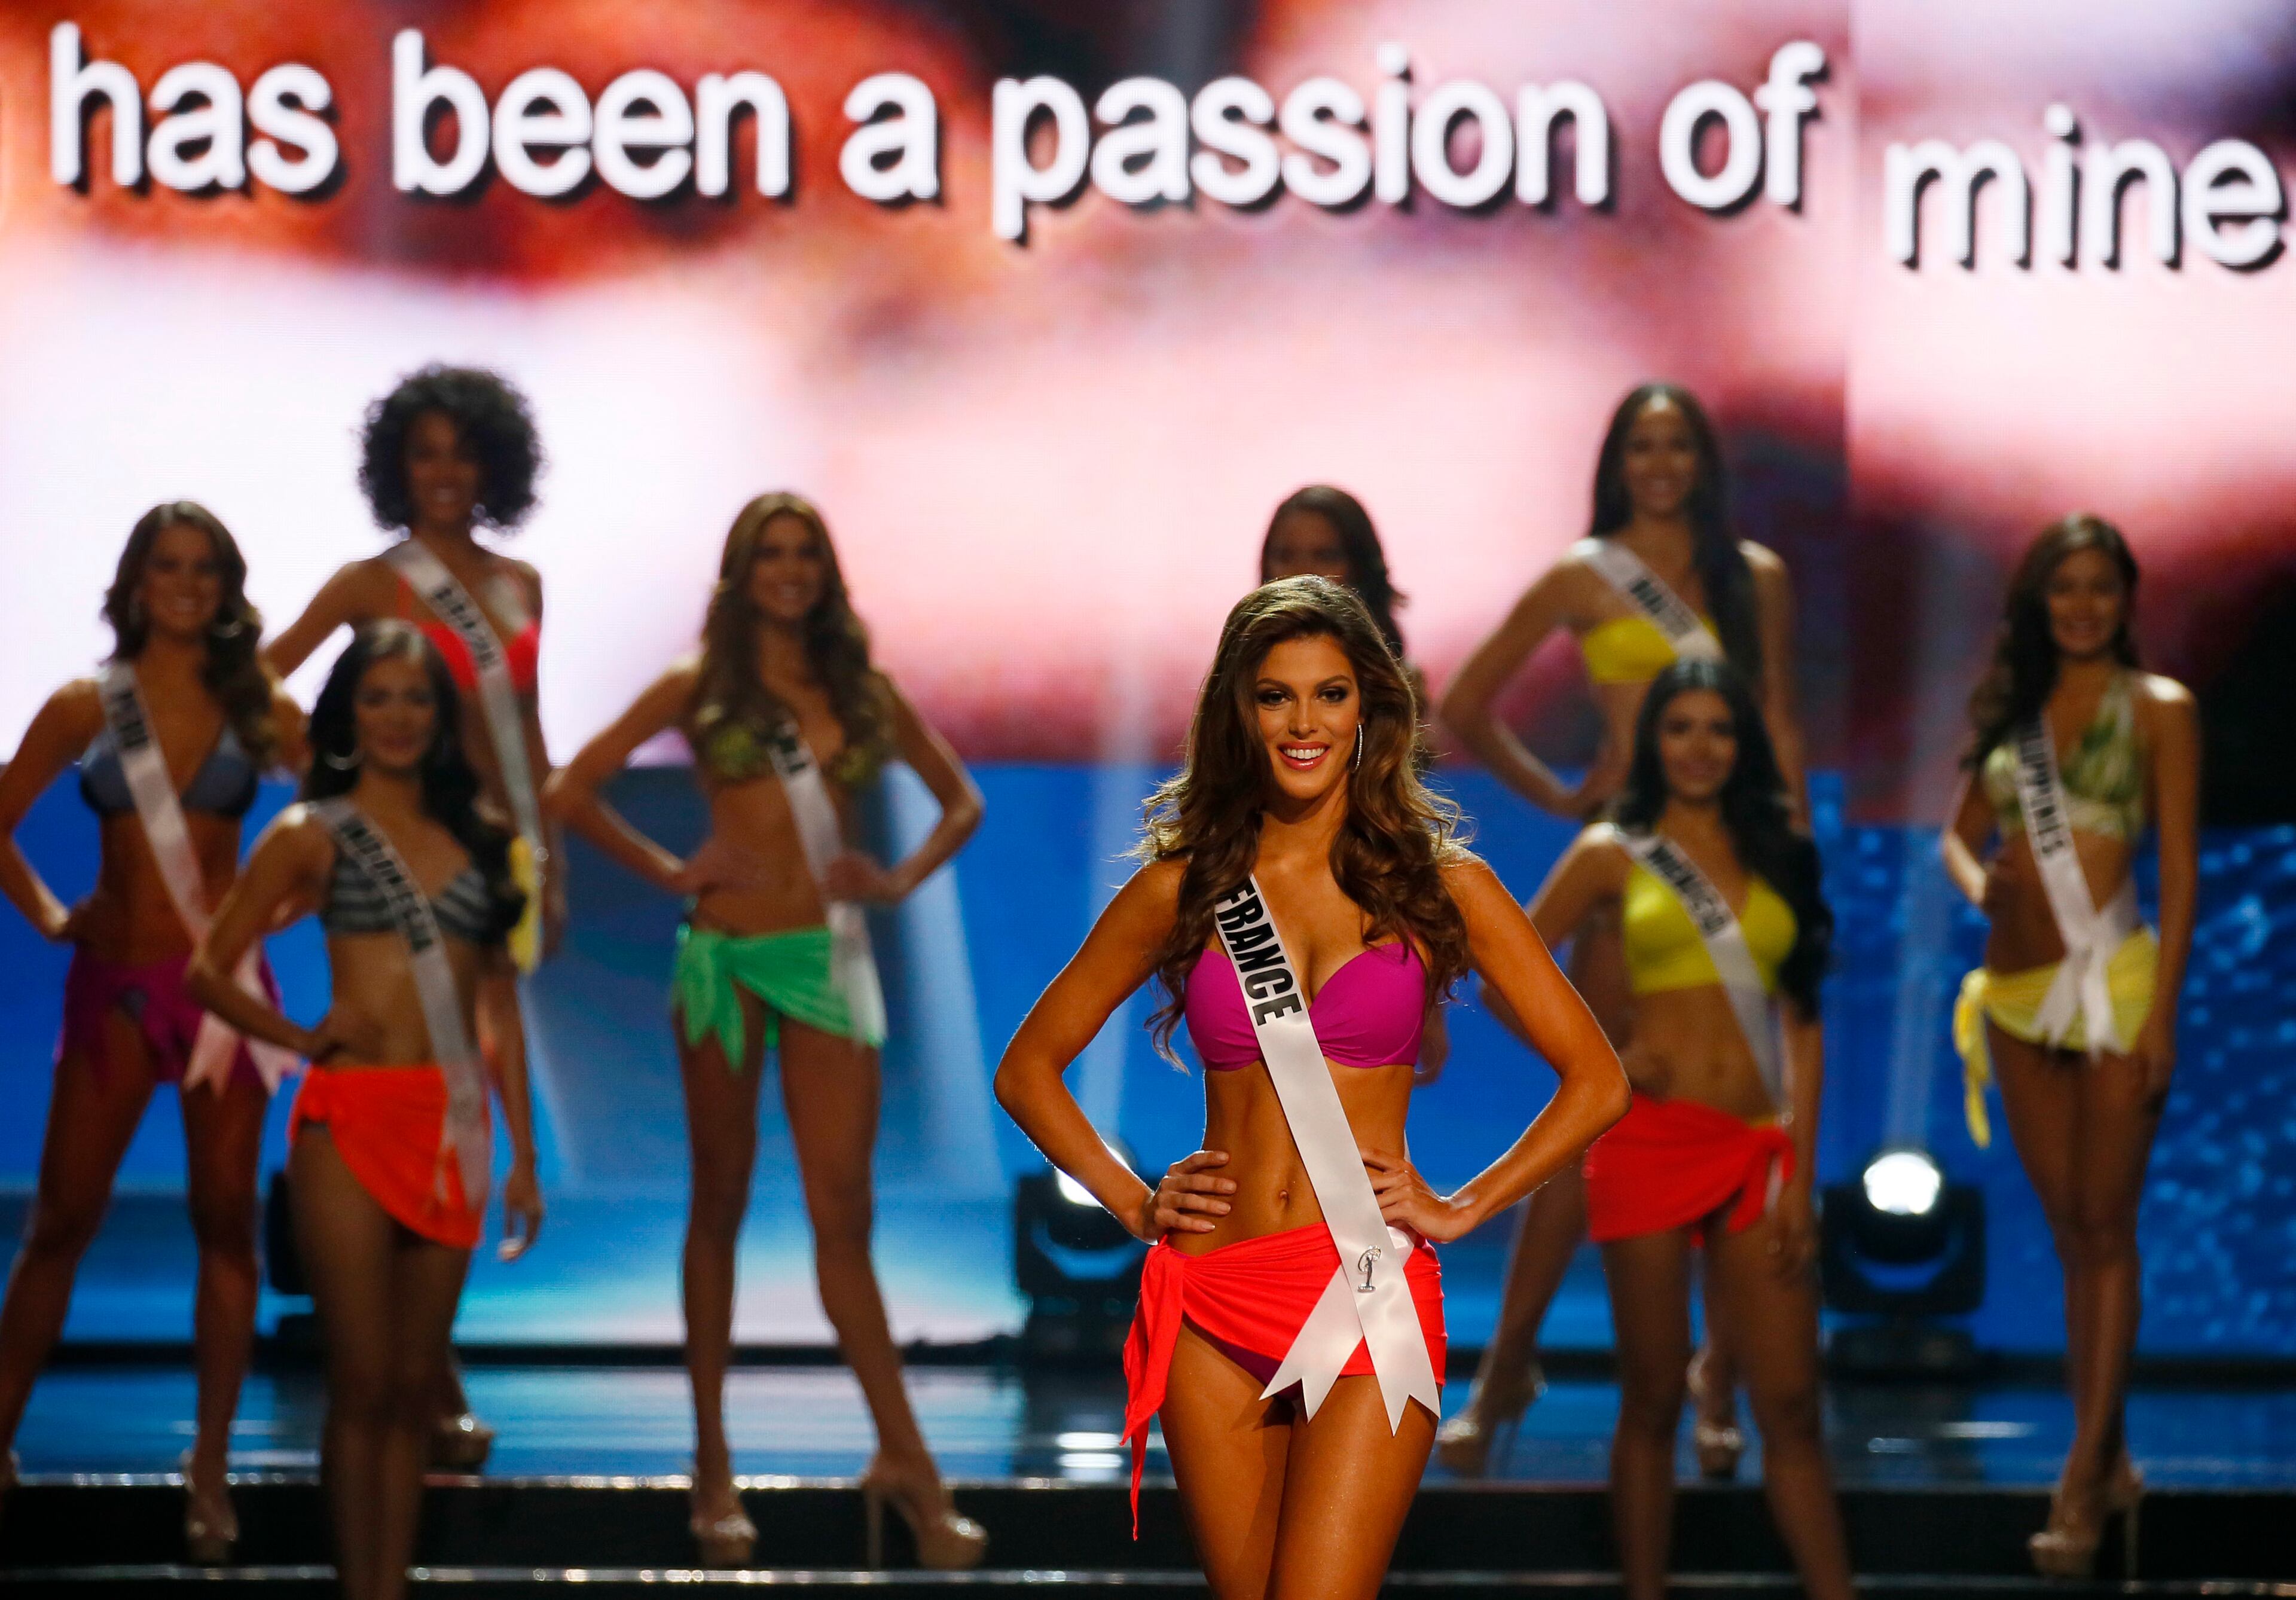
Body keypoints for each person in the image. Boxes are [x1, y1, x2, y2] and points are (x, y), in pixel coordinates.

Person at [994, 576, 1628, 1600]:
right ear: (1237, 713)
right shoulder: (1185, 884)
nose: (1304, 722)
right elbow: (1028, 1068)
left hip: (1363, 1286)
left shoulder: (1439, 882)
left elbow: (1598, 1080)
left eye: (1331, 694)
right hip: (1212, 1291)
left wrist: (1464, 1206)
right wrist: (1133, 1198)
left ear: (1369, 709)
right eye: (1275, 695)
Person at [544, 492, 987, 1569]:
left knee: (844, 1218)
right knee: (721, 1203)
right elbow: (570, 787)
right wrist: (669, 869)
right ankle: (710, 1466)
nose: (788, 569)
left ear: (826, 572)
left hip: (829, 964)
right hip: (726, 963)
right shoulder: (698, 687)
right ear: (740, 574)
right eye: (769, 553)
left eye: (805, 552)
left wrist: (896, 880)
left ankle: (906, 1465)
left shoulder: (861, 689)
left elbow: (959, 802)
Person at [1436, 383, 1805, 1473]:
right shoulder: (1581, 574)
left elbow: (1775, 716)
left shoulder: (1756, 578)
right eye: (1642, 444)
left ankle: (1720, 1379)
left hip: (1738, 854)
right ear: (1617, 458)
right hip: (1630, 855)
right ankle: (1507, 1368)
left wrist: (1787, 852)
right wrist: (1558, 792)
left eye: (1678, 443)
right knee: (1589, 1114)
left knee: (1746, 1113)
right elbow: (1465, 706)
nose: (1661, 462)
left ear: (1704, 458)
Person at [187, 621, 543, 1600]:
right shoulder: (312, 833)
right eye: (378, 698)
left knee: (409, 1392)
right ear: (350, 710)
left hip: (453, 1126)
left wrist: (524, 1156)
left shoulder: (485, 839)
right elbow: (208, 969)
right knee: (361, 1384)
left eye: (416, 699)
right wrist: (297, 1038)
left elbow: (496, 1002)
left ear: (442, 717)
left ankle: (392, 1584)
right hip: (347, 1121)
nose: (397, 717)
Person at [0, 503, 303, 1560]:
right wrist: (47, 915)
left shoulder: (261, 707)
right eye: (166, 567)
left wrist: (278, 911)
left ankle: (210, 1467)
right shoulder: (86, 705)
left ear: (226, 586)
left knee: (225, 1224)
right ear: (134, 584)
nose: (184, 584)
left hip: (221, 995)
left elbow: (354, 827)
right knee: (61, 1223)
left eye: (204, 568)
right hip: (115, 986)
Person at [265, 364, 552, 1468]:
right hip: (396, 859)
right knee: (425, 1072)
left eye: (462, 453)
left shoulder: (524, 584)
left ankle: (428, 1365)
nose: (445, 473)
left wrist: (548, 859)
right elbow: (268, 686)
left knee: (470, 1079)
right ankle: (428, 1380)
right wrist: (334, 782)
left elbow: (526, 731)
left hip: (490, 858)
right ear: (397, 468)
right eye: (424, 454)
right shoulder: (365, 583)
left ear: (494, 465)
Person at [1527, 657, 1848, 1600]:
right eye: (1681, 728)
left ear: (1742, 744)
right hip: (1649, 1142)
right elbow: (1513, 965)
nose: (1700, 748)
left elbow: (1804, 1023)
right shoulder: (1610, 852)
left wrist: (1805, 1169)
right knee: (1655, 1397)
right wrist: (1603, 1064)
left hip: (1757, 1148)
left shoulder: (1781, 852)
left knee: (1790, 1403)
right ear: (1651, 741)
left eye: (1719, 729)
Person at [1943, 514, 2196, 1577]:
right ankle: (2113, 1450)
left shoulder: (2159, 710)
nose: (2083, 605)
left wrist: (2164, 1016)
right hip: (2013, 996)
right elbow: (1959, 838)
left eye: (2101, 586)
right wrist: (1976, 882)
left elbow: (2179, 873)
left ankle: (2081, 1481)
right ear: (2040, 603)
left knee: (2106, 1225)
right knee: (2070, 1234)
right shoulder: (2017, 717)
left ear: (2127, 597)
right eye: (2064, 588)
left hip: (2115, 986)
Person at [1260, 484, 1447, 1082]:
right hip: (1259, 922)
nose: (1303, 571)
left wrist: (1430, 996)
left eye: (1325, 553)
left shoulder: (1400, 689)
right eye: (1286, 555)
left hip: (1364, 926)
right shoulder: (1237, 680)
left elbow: (1408, 835)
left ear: (1361, 569)